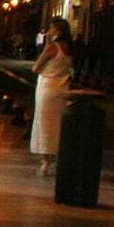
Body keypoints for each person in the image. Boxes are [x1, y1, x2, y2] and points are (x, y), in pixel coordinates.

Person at [30, 17, 75, 177]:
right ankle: (58, 157)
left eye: (51, 28)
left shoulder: (52, 47)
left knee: (45, 123)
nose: (48, 31)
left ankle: (45, 161)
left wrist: (47, 44)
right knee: (58, 123)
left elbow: (36, 67)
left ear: (58, 31)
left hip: (47, 88)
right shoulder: (69, 48)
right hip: (62, 88)